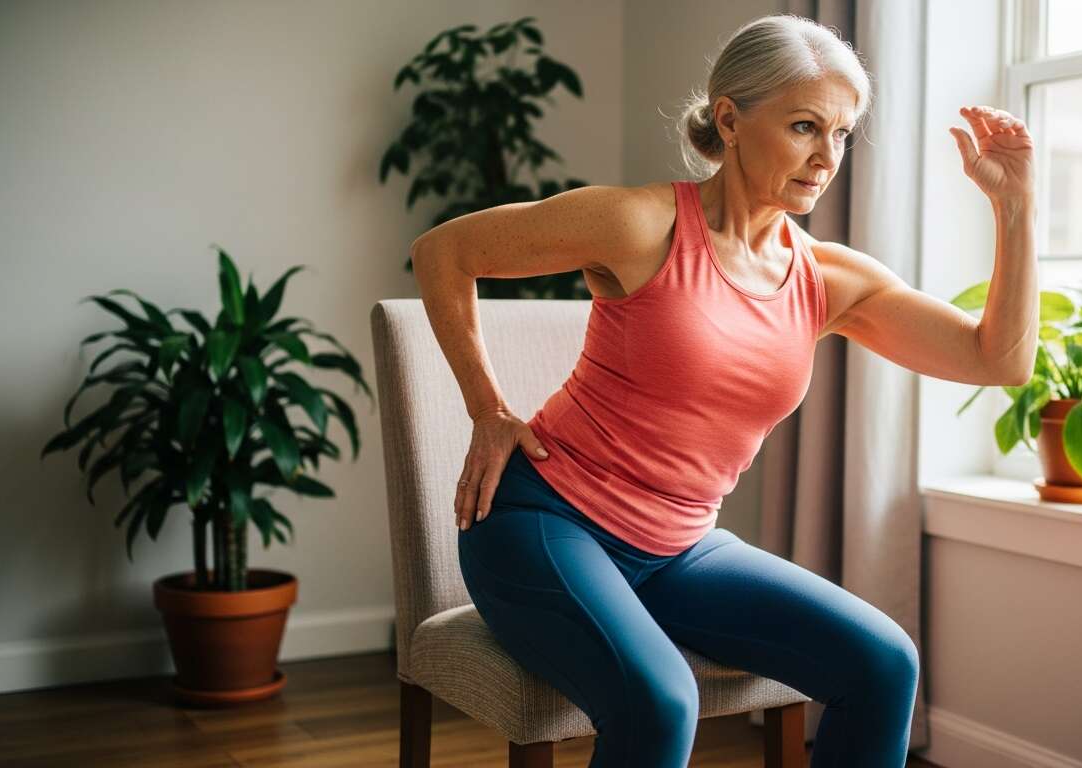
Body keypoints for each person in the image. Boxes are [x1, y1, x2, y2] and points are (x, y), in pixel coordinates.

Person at [409, 12, 1036, 768]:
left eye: (841, 133)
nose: (826, 156)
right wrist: (488, 409)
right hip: (543, 523)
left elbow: (996, 359)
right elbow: (444, 251)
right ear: (731, 120)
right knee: (659, 702)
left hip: (679, 547)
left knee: (883, 664)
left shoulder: (828, 279)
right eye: (805, 126)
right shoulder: (639, 224)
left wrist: (1014, 206)